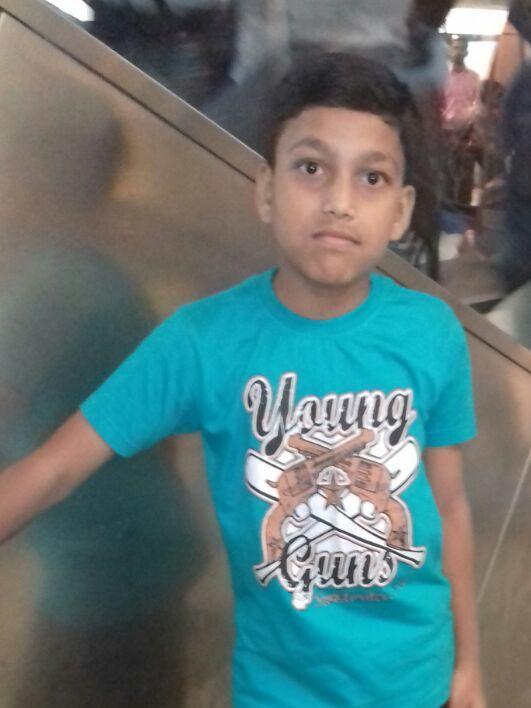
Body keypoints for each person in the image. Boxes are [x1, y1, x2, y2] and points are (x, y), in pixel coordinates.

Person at [0, 53, 484, 707]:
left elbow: (449, 507)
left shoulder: (431, 332)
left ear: (400, 212)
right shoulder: (202, 341)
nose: (339, 202)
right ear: (266, 190)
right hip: (279, 691)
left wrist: (467, 665)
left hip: (417, 682)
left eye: (370, 177)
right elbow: (55, 467)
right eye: (310, 168)